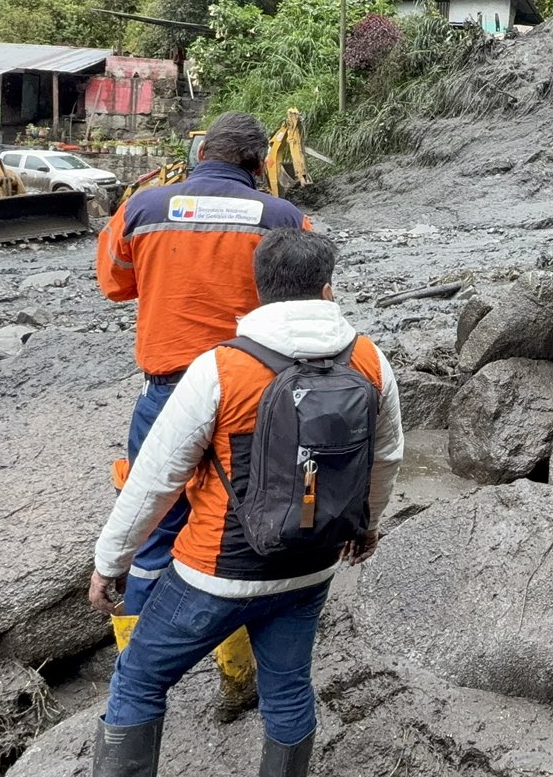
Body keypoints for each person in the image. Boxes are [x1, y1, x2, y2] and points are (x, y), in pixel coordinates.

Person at [86, 228, 401, 777]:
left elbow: (155, 479)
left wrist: (110, 562)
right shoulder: (371, 361)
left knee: (138, 680)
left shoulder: (221, 367)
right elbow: (387, 458)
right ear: (327, 291)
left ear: (259, 292)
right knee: (289, 689)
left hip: (216, 572)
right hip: (310, 566)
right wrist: (366, 526)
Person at [96, 112, 312, 720]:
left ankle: (135, 680)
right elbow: (307, 301)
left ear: (200, 155)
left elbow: (115, 283)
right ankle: (238, 681)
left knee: (150, 535)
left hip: (167, 392)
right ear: (256, 164)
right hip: (255, 397)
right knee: (242, 533)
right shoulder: (283, 217)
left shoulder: (141, 208)